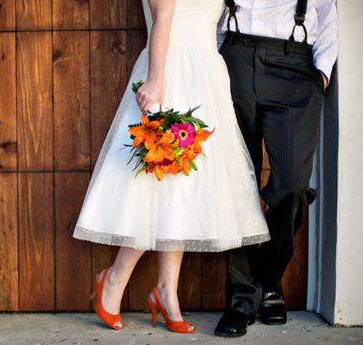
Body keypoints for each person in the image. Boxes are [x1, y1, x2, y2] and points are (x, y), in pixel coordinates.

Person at [72, 0, 270, 333]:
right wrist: (155, 81)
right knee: (156, 180)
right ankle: (115, 279)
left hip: (207, 75)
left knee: (186, 187)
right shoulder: (162, 74)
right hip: (169, 70)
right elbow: (162, 18)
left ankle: (166, 290)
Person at [214, 0, 338, 338]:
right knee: (237, 184)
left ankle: (262, 280)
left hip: (297, 64)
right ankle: (243, 299)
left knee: (294, 186)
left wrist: (322, 71)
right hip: (235, 58)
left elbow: (327, 10)